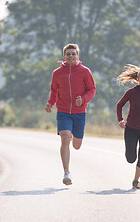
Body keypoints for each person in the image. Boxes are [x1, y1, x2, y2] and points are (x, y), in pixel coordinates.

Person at [45, 43, 96, 186]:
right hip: (63, 111)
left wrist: (83, 99)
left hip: (80, 112)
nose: (71, 56)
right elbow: (54, 91)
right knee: (65, 137)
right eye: (68, 54)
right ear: (64, 57)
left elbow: (92, 89)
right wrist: (50, 103)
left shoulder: (85, 71)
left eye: (73, 54)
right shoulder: (57, 73)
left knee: (77, 145)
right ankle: (66, 172)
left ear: (77, 56)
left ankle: (75, 136)